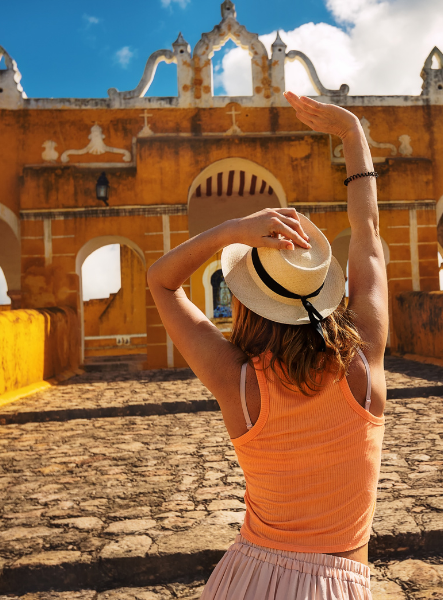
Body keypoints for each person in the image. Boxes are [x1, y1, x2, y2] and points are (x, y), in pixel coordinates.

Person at [148, 90, 388, 599]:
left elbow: (161, 281)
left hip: (246, 579)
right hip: (336, 584)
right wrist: (353, 135)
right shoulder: (363, 361)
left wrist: (233, 230)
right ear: (322, 287)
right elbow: (367, 232)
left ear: (245, 299)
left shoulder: (237, 379)